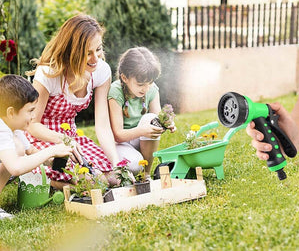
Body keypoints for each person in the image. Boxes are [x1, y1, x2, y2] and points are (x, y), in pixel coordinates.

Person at [25, 14, 120, 189]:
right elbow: (32, 124)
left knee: (115, 178)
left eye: (98, 50)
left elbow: (102, 125)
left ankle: (57, 180)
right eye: (87, 53)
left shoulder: (101, 71)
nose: (95, 59)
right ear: (72, 52)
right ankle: (31, 174)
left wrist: (116, 162)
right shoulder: (49, 73)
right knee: (91, 182)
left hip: (72, 140)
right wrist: (63, 139)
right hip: (40, 140)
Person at [0, 75, 74, 219]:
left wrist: (51, 161)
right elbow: (15, 167)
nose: (34, 116)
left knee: (20, 148)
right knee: (17, 149)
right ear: (10, 112)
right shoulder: (1, 128)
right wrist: (51, 150)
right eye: (30, 111)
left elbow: (31, 151)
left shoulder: (13, 127)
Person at [108, 47, 176, 176]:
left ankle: (146, 174)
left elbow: (157, 119)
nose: (146, 88)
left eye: (149, 83)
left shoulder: (151, 89)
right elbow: (117, 135)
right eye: (140, 84)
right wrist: (142, 131)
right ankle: (134, 167)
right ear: (124, 77)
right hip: (120, 143)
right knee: (135, 165)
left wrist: (167, 123)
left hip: (142, 139)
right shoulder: (115, 92)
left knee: (151, 118)